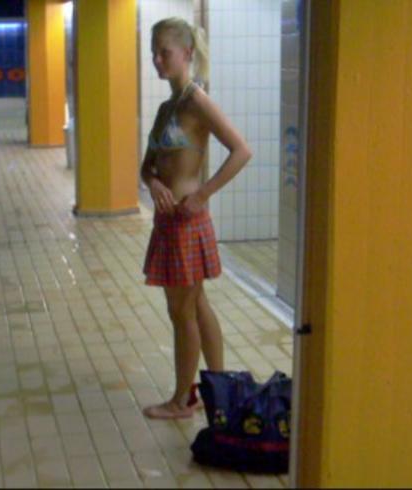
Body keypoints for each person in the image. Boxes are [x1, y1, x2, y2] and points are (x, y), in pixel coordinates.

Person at [140, 17, 253, 419]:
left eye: (164, 52)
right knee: (196, 304)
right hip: (168, 223)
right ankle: (217, 388)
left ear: (186, 53)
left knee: (181, 312)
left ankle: (182, 400)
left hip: (188, 222)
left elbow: (241, 150)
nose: (157, 59)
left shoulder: (196, 101)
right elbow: (147, 166)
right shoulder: (167, 107)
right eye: (153, 52)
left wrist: (203, 194)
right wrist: (153, 182)